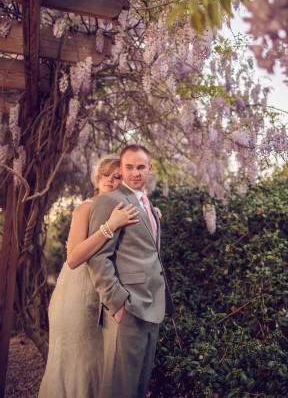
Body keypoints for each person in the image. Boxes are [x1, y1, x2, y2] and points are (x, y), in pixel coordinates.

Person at [38, 155, 140, 397]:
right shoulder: (86, 207)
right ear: (97, 178)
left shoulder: (123, 210)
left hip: (102, 297)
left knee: (97, 365)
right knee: (75, 363)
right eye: (106, 175)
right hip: (75, 295)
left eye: (117, 177)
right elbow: (73, 258)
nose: (110, 180)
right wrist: (111, 225)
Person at [86, 144, 174, 398]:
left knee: (138, 387)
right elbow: (98, 257)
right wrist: (118, 302)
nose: (135, 173)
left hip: (152, 306)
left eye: (140, 167)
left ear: (150, 169)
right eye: (129, 167)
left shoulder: (147, 203)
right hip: (126, 309)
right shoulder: (110, 201)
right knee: (118, 389)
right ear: (121, 169)